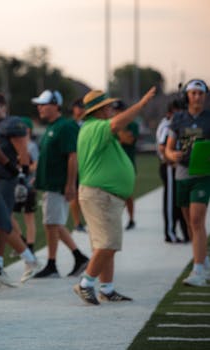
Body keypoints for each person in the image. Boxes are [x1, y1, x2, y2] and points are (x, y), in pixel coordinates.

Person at [74, 87, 156, 305]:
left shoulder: (93, 127)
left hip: (102, 195)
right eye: (108, 106)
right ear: (98, 110)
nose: (112, 109)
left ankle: (107, 289)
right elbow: (117, 124)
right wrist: (140, 105)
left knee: (105, 245)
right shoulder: (95, 127)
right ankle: (85, 284)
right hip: (100, 194)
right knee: (108, 243)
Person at [31, 90, 89, 278]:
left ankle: (53, 264)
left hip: (58, 183)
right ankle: (78, 257)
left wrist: (71, 184)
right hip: (50, 183)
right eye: (38, 104)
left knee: (52, 223)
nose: (39, 107)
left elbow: (73, 156)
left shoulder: (66, 126)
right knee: (53, 223)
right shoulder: (52, 126)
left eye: (43, 104)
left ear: (55, 105)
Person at [0, 92, 40, 285]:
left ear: (3, 108)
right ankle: (5, 263)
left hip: (6, 179)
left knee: (1, 222)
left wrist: (23, 177)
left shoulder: (11, 124)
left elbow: (22, 152)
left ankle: (13, 261)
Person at [165, 79, 210, 287]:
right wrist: (172, 154)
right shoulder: (178, 119)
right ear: (187, 96)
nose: (197, 97)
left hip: (203, 174)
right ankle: (203, 258)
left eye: (200, 94)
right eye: (193, 93)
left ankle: (198, 269)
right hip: (182, 174)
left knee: (197, 219)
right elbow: (168, 148)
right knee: (190, 222)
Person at [156, 99, 188, 242]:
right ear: (170, 113)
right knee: (170, 201)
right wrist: (171, 160)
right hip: (169, 166)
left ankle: (185, 232)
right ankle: (170, 233)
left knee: (178, 201)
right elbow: (162, 147)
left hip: (178, 166)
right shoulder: (168, 125)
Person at [11, 116, 38, 253]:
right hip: (16, 185)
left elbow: (35, 165)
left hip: (28, 184)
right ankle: (21, 240)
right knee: (9, 214)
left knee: (29, 216)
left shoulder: (31, 146)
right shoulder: (15, 144)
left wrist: (24, 170)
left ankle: (30, 246)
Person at [113, 100, 139, 230]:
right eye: (115, 110)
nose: (117, 113)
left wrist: (120, 133)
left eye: (119, 110)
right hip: (114, 164)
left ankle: (131, 219)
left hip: (128, 163)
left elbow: (129, 140)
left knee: (127, 193)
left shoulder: (132, 124)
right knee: (113, 194)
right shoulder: (112, 125)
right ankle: (116, 220)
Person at [69, 99, 87, 233]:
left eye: (83, 107)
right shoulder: (70, 125)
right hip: (75, 162)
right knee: (75, 194)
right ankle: (77, 222)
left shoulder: (88, 124)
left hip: (87, 163)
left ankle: (87, 220)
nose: (80, 110)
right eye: (78, 107)